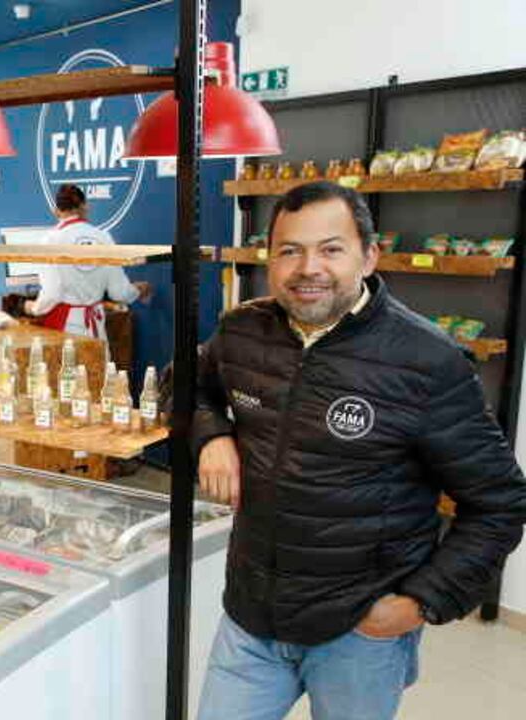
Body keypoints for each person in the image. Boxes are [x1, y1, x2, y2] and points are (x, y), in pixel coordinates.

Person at [193, 181, 526, 719]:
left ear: (368, 256)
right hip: (251, 616)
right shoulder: (242, 332)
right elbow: (188, 389)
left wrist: (418, 604)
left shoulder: (426, 362)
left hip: (358, 633)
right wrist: (212, 435)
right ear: (270, 259)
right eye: (290, 250)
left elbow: (500, 502)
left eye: (331, 249)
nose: (308, 268)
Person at [25, 184, 151, 345]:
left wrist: (33, 307)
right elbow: (119, 293)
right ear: (85, 207)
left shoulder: (50, 241)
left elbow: (52, 293)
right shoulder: (104, 238)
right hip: (96, 327)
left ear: (55, 211)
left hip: (64, 329)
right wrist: (138, 290)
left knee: (66, 369)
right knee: (98, 369)